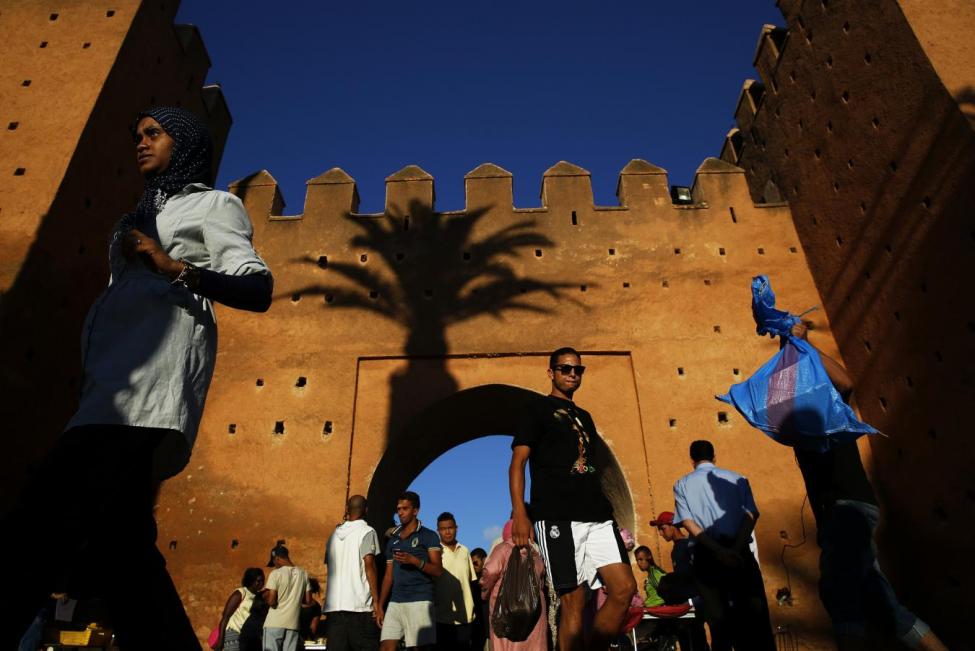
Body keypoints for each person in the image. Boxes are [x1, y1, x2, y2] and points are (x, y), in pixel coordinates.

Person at [0, 107, 272, 650]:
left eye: (154, 134)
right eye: (137, 135)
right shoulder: (134, 217)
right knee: (117, 547)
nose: (141, 143)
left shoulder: (213, 206)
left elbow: (258, 287)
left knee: (38, 526)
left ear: (186, 142)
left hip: (149, 393)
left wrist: (177, 268)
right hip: (107, 390)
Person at [788, 323, 948, 651]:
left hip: (846, 511)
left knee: (839, 595)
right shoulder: (801, 427)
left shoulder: (830, 414)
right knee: (883, 607)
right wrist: (793, 344)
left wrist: (804, 344)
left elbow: (845, 381)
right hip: (850, 511)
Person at [509, 347, 637, 651]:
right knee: (574, 601)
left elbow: (589, 465)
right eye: (565, 369)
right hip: (557, 516)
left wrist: (589, 477)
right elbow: (518, 462)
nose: (572, 374)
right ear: (551, 372)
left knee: (624, 589)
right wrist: (520, 513)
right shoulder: (536, 409)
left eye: (578, 369)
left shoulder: (585, 417)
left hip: (598, 514)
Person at [673, 440, 775, 651]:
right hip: (739, 553)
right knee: (753, 617)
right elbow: (751, 514)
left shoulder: (682, 484)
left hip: (706, 554)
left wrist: (718, 551)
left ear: (692, 460)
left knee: (718, 622)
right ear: (714, 456)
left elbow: (688, 523)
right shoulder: (738, 479)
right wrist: (734, 550)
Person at [379, 491, 443, 650]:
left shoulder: (428, 536)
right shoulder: (393, 539)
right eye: (398, 509)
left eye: (405, 508)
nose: (400, 512)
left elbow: (438, 570)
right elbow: (388, 576)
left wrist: (414, 561)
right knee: (386, 647)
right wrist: (380, 605)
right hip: (395, 600)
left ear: (415, 510)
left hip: (420, 600)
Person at [324, 494, 383, 651]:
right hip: (359, 607)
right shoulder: (367, 531)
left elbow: (328, 566)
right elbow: (369, 564)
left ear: (347, 510)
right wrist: (377, 602)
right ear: (366, 510)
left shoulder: (333, 536)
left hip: (334, 608)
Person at [480, 520, 548, 651]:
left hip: (504, 609)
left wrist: (485, 593)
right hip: (535, 611)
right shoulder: (535, 554)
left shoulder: (503, 548)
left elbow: (490, 571)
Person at [434, 512, 478, 650]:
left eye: (450, 528)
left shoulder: (465, 551)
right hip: (442, 618)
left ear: (456, 528)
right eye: (443, 529)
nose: (447, 532)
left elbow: (472, 582)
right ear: (438, 531)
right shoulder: (435, 553)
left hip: (465, 617)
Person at [263, 544, 312, 651]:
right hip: (293, 624)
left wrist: (265, 597)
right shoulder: (304, 574)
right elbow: (308, 601)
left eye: (274, 562)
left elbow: (272, 601)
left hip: (274, 623)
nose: (274, 565)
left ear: (277, 558)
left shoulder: (276, 574)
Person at [214, 568, 265, 651]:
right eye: (258, 581)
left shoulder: (259, 596)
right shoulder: (240, 593)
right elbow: (225, 617)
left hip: (248, 637)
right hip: (234, 632)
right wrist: (220, 640)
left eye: (263, 581)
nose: (261, 583)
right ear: (251, 581)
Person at [469, 548, 489, 651]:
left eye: (475, 563)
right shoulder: (471, 581)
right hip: (477, 628)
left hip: (489, 629)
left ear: (484, 560)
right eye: (471, 563)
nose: (473, 566)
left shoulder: (490, 578)